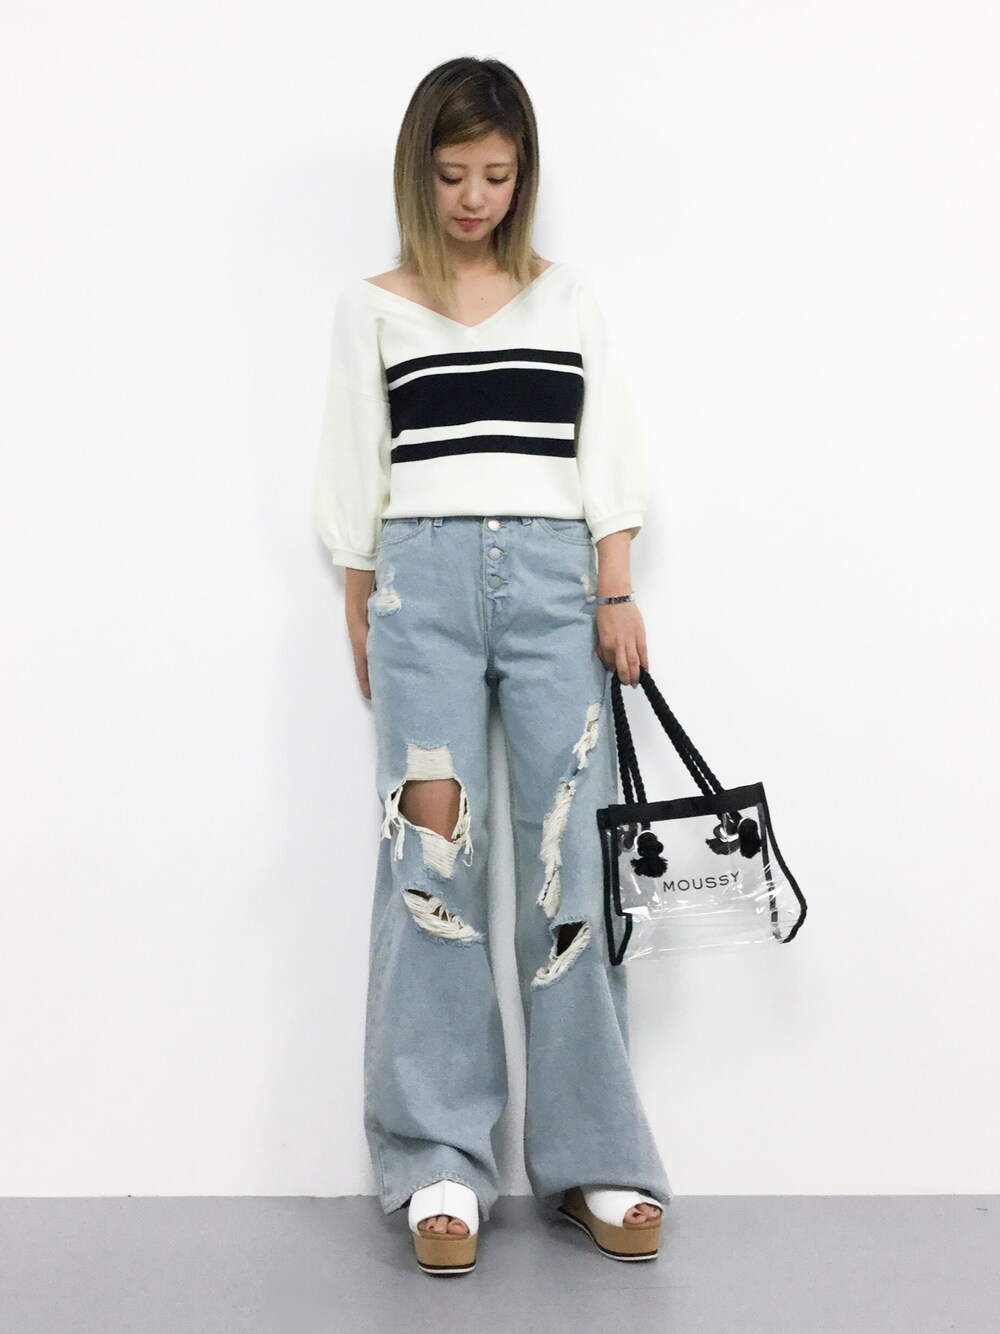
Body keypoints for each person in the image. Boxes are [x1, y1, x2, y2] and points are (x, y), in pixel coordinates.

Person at [312, 55, 673, 1276]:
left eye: (498, 175)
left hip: (557, 584)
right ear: (419, 172)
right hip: (418, 585)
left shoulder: (563, 297)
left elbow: (605, 444)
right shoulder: (373, 306)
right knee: (429, 863)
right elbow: (354, 460)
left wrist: (613, 586)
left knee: (569, 860)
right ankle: (436, 1159)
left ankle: (594, 1155)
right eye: (454, 173)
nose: (474, 197)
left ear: (524, 177)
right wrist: (363, 601)